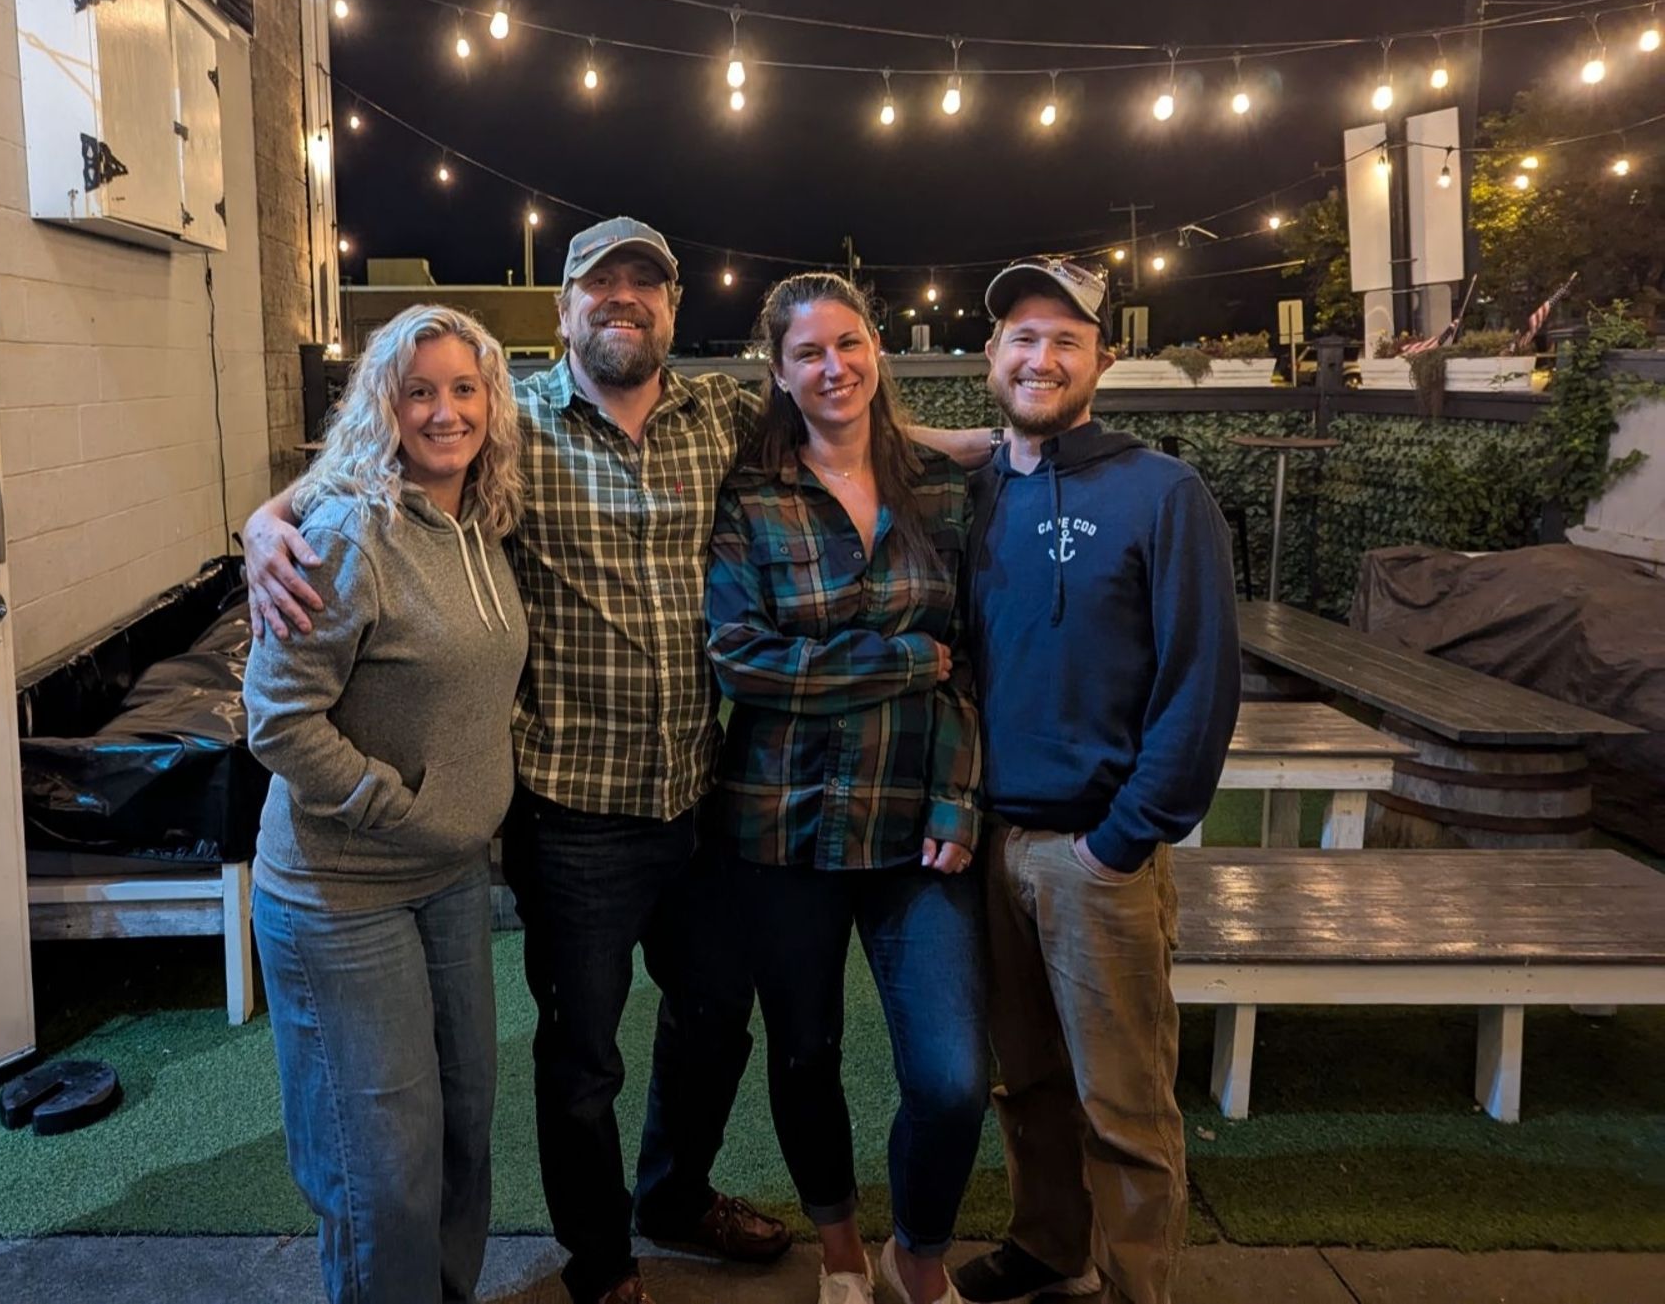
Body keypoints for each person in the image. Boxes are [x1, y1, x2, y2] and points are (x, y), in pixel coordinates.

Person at [244, 217, 997, 1304]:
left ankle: (673, 1194)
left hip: (699, 798)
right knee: (582, 1059)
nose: (624, 302)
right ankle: (600, 1263)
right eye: (601, 286)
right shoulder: (511, 427)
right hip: (573, 810)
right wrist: (266, 520)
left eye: (645, 285)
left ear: (672, 307)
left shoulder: (722, 417)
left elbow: (836, 412)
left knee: (711, 1020)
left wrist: (968, 443)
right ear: (564, 309)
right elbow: (370, 467)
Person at [953, 260, 1241, 1304]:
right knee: (1023, 1081)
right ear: (988, 357)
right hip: (994, 845)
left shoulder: (1161, 491)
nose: (1040, 357)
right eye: (1020, 337)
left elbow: (1201, 682)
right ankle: (1046, 1245)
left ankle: (1133, 1287)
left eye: (1064, 339)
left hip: (1097, 854)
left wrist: (1123, 837)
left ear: (1099, 360)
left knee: (1121, 1102)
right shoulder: (983, 490)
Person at [705, 273, 986, 1304]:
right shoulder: (750, 497)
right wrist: (906, 660)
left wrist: (959, 802)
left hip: (918, 824)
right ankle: (836, 1247)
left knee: (951, 1077)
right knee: (804, 1051)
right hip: (782, 826)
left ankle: (917, 1246)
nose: (834, 366)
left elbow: (975, 665)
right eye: (809, 352)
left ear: (877, 350)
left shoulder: (943, 488)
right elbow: (743, 663)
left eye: (850, 343)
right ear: (777, 371)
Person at [243, 304, 529, 1304]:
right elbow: (275, 718)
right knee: (384, 1170)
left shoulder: (478, 523)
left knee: (460, 1131)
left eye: (463, 388)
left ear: (491, 401)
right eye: (419, 390)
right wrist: (383, 802)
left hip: (448, 879)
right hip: (343, 891)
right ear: (385, 405)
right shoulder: (347, 532)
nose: (444, 410)